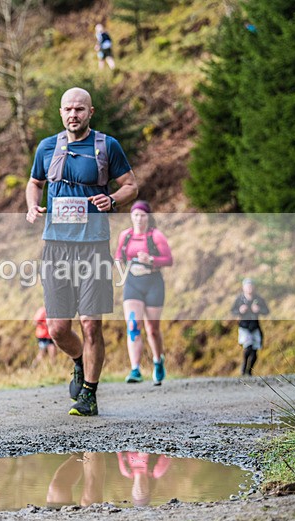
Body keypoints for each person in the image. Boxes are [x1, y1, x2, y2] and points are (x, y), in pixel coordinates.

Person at [26, 87, 138, 416]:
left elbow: (131, 184)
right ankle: (79, 361)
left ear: (91, 112)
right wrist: (33, 206)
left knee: (91, 324)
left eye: (79, 109)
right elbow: (34, 182)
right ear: (61, 113)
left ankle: (89, 393)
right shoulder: (47, 147)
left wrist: (113, 199)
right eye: (67, 109)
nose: (73, 114)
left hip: (93, 247)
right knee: (58, 329)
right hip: (57, 247)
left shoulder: (107, 146)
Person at [115, 200, 173, 385]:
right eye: (136, 215)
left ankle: (158, 361)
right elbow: (118, 256)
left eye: (142, 215)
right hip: (133, 283)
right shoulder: (125, 236)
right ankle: (135, 369)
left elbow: (168, 260)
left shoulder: (156, 236)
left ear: (148, 217)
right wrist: (123, 270)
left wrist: (151, 259)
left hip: (153, 283)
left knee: (152, 329)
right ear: (131, 217)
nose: (139, 219)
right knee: (133, 326)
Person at [231, 278, 269, 376]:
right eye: (247, 286)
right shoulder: (239, 299)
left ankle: (249, 370)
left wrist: (259, 310)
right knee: (248, 347)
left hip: (255, 326)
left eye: (251, 286)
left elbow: (266, 311)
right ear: (243, 288)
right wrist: (240, 310)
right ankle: (244, 366)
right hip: (244, 326)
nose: (249, 288)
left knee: (255, 350)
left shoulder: (258, 299)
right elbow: (233, 311)